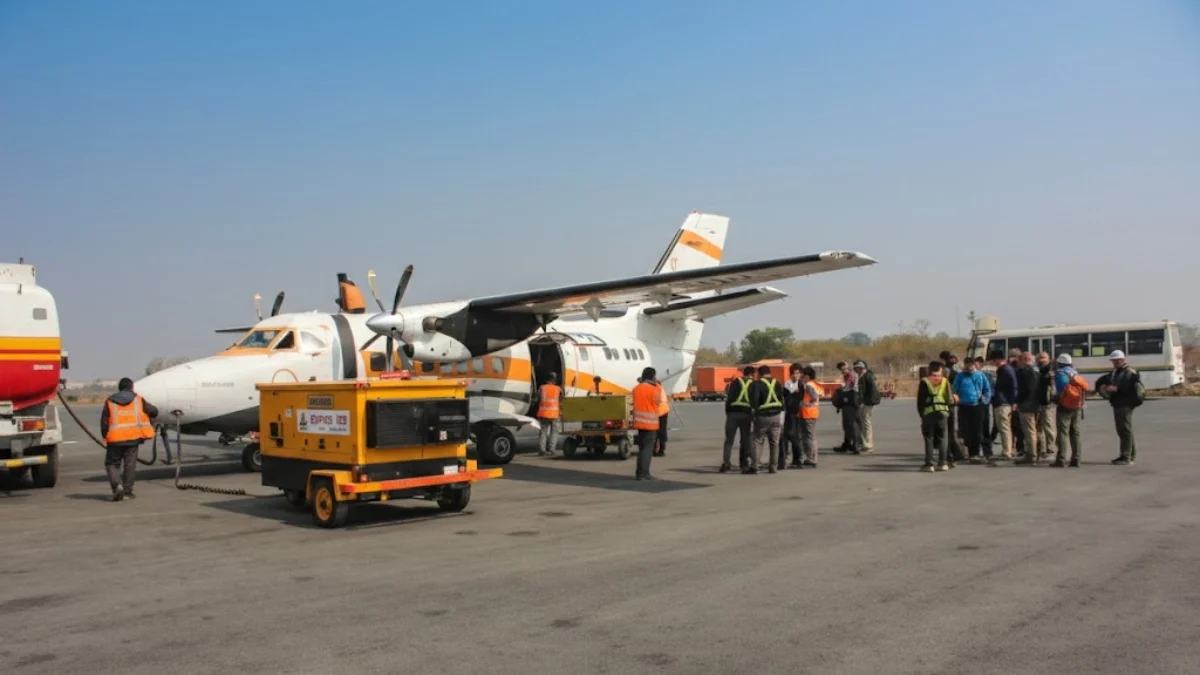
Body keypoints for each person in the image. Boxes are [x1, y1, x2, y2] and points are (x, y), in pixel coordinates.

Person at [100, 377, 159, 501]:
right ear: (132, 387)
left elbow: (104, 422)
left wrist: (106, 436)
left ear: (119, 388)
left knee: (112, 464)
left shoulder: (110, 401)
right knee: (130, 465)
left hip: (115, 439)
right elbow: (153, 411)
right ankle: (127, 492)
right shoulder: (138, 400)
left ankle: (117, 486)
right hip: (133, 438)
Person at [1095, 350, 1144, 465]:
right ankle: (1129, 455)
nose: (1115, 362)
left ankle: (1126, 456)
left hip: (1125, 403)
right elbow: (1105, 379)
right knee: (1124, 429)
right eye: (1113, 361)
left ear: (1122, 360)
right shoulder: (1117, 372)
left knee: (1124, 430)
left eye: (1117, 360)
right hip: (1119, 403)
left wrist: (1113, 388)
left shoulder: (1128, 372)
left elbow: (1123, 387)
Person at [951, 357, 993, 465]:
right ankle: (968, 453)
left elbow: (987, 390)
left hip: (977, 406)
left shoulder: (980, 375)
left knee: (977, 430)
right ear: (964, 365)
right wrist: (956, 398)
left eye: (971, 364)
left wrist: (984, 402)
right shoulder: (960, 376)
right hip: (964, 406)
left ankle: (976, 453)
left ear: (974, 365)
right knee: (965, 430)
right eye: (967, 365)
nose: (969, 367)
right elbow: (954, 390)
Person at [917, 361, 955, 472]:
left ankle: (929, 464)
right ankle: (942, 463)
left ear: (929, 370)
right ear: (941, 370)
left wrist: (921, 414)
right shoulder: (944, 381)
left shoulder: (925, 381)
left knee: (929, 438)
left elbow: (921, 400)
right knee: (943, 437)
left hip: (929, 412)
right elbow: (949, 398)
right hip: (943, 412)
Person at [1052, 353, 1087, 467]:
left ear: (1060, 363)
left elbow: (1061, 391)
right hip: (1077, 405)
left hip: (1064, 406)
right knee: (1075, 432)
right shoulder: (1075, 373)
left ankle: (1061, 459)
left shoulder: (1060, 374)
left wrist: (1055, 398)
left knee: (1063, 432)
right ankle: (1076, 458)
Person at [749, 364, 786, 473]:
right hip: (776, 416)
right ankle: (773, 467)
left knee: (758, 441)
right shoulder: (777, 383)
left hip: (762, 417)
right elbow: (781, 399)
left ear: (760, 374)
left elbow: (754, 401)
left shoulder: (757, 384)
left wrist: (754, 415)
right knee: (774, 442)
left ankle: (755, 466)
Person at [721, 366, 755, 473]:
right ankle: (744, 464)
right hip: (746, 415)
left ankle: (726, 464)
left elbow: (729, 398)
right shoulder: (754, 384)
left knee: (729, 440)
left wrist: (728, 413)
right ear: (752, 374)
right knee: (745, 440)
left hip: (732, 414)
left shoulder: (735, 382)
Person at [1015, 352, 1044, 464]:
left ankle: (1031, 455)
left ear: (1023, 360)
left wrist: (1018, 401)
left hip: (1027, 404)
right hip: (1037, 404)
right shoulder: (1037, 371)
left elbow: (1025, 389)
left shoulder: (1023, 372)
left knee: (1029, 431)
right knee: (1037, 430)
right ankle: (1039, 452)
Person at [631, 367, 661, 480]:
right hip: (650, 424)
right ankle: (644, 473)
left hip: (639, 423)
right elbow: (658, 402)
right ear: (653, 377)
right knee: (647, 450)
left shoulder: (636, 388)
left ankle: (639, 472)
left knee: (642, 449)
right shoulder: (654, 389)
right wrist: (656, 384)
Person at [990, 349, 1020, 459]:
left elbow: (1013, 386)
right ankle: (1008, 449)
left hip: (1003, 402)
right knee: (1005, 427)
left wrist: (1013, 402)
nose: (993, 363)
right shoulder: (1005, 370)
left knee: (1004, 427)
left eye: (994, 360)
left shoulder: (1006, 370)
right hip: (1003, 401)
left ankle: (1007, 451)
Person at [939, 351, 965, 462]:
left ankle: (950, 453)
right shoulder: (956, 371)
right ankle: (954, 453)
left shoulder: (945, 372)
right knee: (951, 431)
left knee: (946, 431)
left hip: (945, 404)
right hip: (952, 403)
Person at [794, 366, 821, 467]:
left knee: (809, 437)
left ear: (807, 376)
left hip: (808, 413)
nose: (801, 377)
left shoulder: (809, 385)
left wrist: (804, 404)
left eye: (803, 375)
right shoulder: (813, 384)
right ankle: (812, 457)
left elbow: (814, 398)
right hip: (811, 413)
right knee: (811, 436)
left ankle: (811, 458)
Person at [833, 361, 861, 454]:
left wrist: (841, 388)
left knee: (851, 424)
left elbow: (848, 387)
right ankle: (848, 443)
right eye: (842, 370)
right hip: (847, 401)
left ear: (847, 366)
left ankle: (855, 445)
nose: (844, 371)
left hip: (852, 401)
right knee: (846, 424)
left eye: (845, 368)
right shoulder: (846, 376)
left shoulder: (852, 374)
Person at [854, 360, 881, 453]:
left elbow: (867, 391)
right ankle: (865, 443)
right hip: (868, 401)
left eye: (858, 368)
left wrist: (863, 402)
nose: (857, 370)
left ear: (862, 368)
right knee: (864, 421)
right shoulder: (867, 375)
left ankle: (869, 444)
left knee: (866, 422)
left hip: (868, 402)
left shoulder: (866, 376)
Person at [1035, 352, 1058, 458]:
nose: (1041, 360)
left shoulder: (1050, 371)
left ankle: (1051, 447)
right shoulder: (1040, 370)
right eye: (1039, 358)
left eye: (1043, 358)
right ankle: (1043, 448)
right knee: (1041, 427)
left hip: (1048, 402)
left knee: (1048, 426)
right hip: (1040, 402)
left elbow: (1052, 387)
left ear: (1048, 359)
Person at [781, 363, 803, 469]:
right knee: (785, 436)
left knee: (795, 437)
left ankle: (797, 459)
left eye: (798, 373)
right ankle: (784, 458)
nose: (796, 375)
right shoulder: (787, 384)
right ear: (791, 374)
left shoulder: (801, 385)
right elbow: (786, 398)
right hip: (787, 414)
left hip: (797, 414)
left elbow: (799, 398)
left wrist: (792, 396)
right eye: (794, 373)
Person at [536, 373, 562, 457]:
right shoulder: (558, 389)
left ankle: (542, 450)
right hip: (555, 414)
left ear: (546, 379)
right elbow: (562, 400)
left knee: (543, 432)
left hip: (543, 413)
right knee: (554, 432)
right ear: (554, 380)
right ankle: (551, 450)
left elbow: (537, 399)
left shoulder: (541, 388)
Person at [653, 378, 670, 457]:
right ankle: (661, 449)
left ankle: (659, 450)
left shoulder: (656, 388)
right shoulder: (660, 387)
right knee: (662, 431)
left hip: (659, 412)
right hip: (664, 410)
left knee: (656, 431)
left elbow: (656, 401)